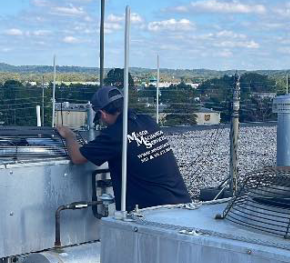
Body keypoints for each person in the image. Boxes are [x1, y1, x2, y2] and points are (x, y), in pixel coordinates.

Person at [55, 85, 191, 210]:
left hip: (153, 212)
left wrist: (69, 135)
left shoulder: (115, 134)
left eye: (100, 118)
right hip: (182, 203)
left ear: (102, 113)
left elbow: (78, 158)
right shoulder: (147, 120)